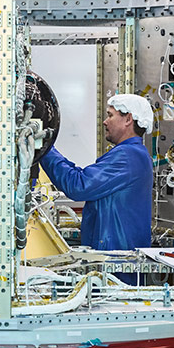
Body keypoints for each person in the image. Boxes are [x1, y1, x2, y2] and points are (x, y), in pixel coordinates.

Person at [38, 94, 154, 250]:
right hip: (117, 255)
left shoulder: (127, 156)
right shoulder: (133, 154)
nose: (105, 122)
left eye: (110, 115)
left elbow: (78, 185)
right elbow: (82, 178)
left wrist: (44, 145)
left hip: (116, 260)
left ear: (128, 119)